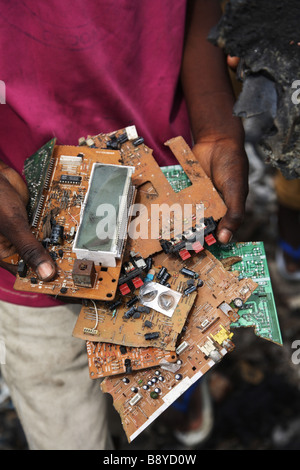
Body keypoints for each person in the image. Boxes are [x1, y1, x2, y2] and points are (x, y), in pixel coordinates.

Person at [0, 0, 248, 450]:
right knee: (58, 397)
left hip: (161, 206)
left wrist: (216, 123)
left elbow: (201, 10)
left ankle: (172, 398)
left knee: (170, 346)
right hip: (23, 222)